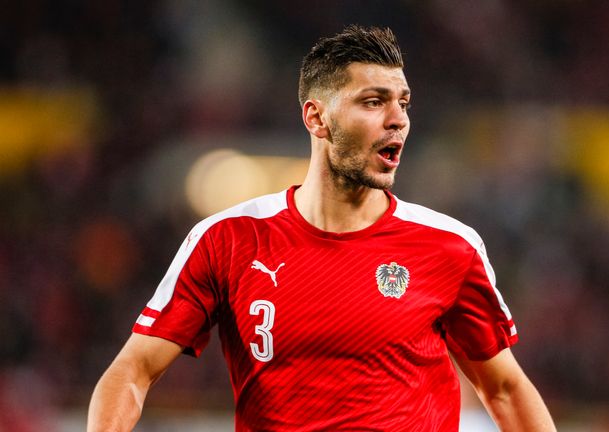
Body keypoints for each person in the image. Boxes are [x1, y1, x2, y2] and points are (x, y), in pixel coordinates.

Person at [87, 25, 556, 432]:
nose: (398, 120)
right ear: (317, 118)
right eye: (374, 102)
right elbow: (134, 369)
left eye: (403, 103)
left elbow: (505, 389)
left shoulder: (450, 247)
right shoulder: (226, 239)